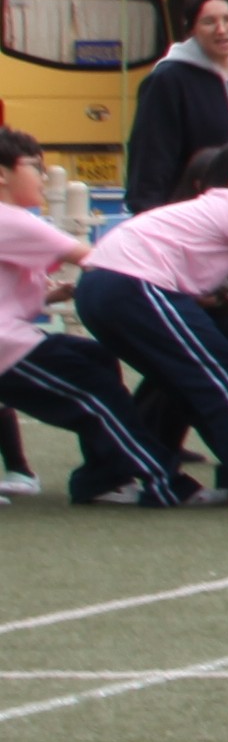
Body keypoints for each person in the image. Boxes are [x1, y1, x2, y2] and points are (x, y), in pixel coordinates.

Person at [78, 141, 228, 504]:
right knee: (225, 379)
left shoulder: (205, 211)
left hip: (101, 288)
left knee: (178, 385)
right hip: (134, 285)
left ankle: (115, 479)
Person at [0, 130, 177, 505]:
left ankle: (102, 478)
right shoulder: (12, 220)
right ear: (2, 175)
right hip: (7, 346)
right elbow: (97, 257)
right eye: (34, 168)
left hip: (12, 336)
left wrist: (56, 293)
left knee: (95, 358)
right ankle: (160, 478)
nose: (44, 178)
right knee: (98, 396)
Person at [119, 0, 228, 216]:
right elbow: (151, 155)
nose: (221, 30)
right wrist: (148, 213)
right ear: (191, 30)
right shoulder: (168, 80)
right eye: (209, 22)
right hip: (192, 216)